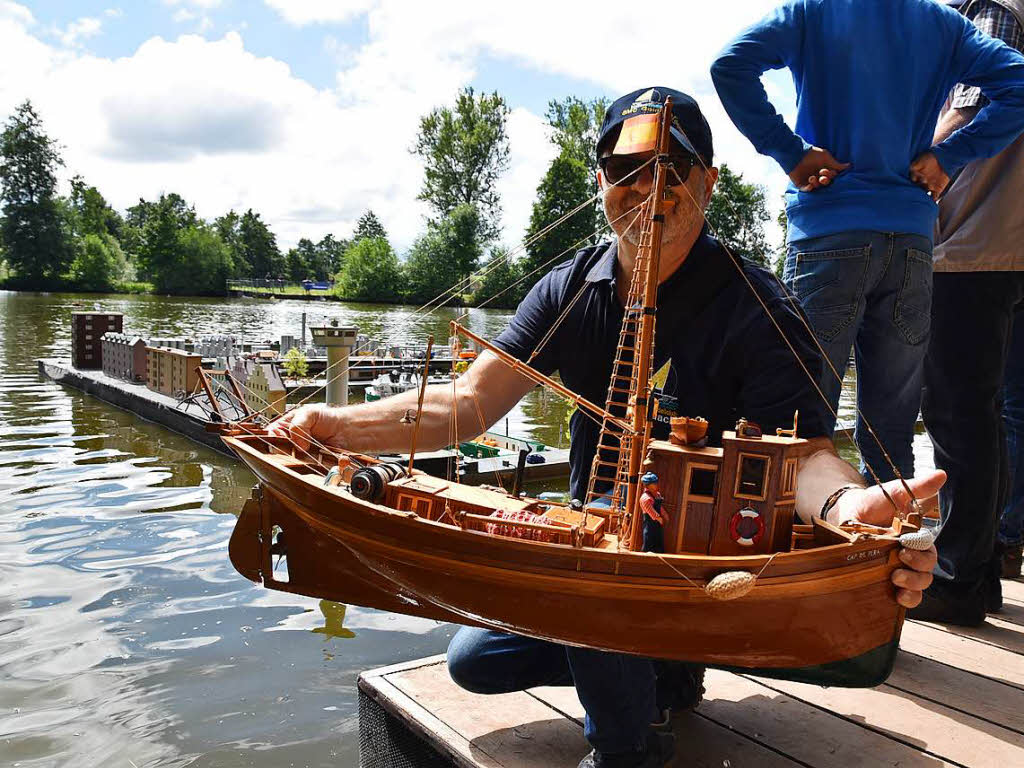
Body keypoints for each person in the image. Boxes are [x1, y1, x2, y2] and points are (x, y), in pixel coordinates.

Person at [272, 88, 942, 768]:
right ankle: (660, 673)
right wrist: (333, 426)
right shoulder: (574, 288)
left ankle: (627, 749)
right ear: (600, 182)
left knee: (602, 551)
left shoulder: (757, 308)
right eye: (626, 172)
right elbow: (468, 405)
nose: (649, 190)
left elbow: (804, 459)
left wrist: (852, 508)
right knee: (476, 661)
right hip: (599, 554)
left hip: (696, 574)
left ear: (708, 185)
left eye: (673, 170)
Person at [711, 0, 1024, 486]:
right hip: (912, 245)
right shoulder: (944, 25)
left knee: (800, 418)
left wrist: (789, 151)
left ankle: (805, 552)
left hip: (827, 237)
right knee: (891, 430)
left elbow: (730, 65)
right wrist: (951, 156)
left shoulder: (813, 12)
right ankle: (884, 551)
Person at [917, 0, 1024, 625]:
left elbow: (970, 103)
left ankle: (957, 577)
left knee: (957, 411)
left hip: (973, 243)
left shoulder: (989, 8)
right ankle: (980, 573)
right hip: (1002, 242)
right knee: (989, 411)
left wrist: (906, 162)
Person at [638, 472, 666, 554]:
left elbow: (659, 507)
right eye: (654, 483)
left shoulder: (657, 494)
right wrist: (659, 518)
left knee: (659, 541)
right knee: (649, 540)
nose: (657, 484)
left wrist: (664, 514)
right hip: (650, 523)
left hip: (658, 524)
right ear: (648, 485)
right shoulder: (645, 498)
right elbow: (651, 512)